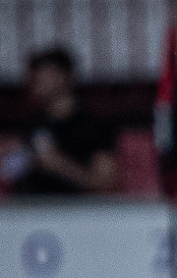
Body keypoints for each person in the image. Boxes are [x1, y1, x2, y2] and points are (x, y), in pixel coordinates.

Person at [3, 46, 119, 195]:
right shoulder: (32, 123)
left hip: (79, 212)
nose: (38, 81)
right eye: (35, 76)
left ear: (65, 76)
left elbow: (106, 185)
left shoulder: (95, 125)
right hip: (28, 210)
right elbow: (10, 171)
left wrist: (59, 164)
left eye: (46, 74)